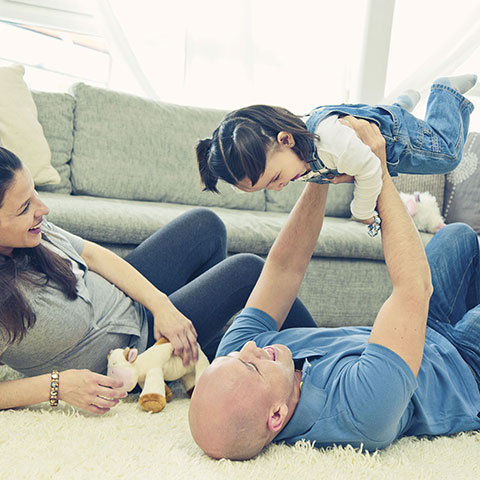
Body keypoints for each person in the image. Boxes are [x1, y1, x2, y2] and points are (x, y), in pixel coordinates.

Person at [189, 117, 480, 460]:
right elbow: (414, 288)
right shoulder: (359, 412)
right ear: (277, 416)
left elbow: (284, 269)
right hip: (465, 368)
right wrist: (378, 168)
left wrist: (318, 168)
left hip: (426, 332)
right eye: (251, 365)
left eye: (238, 356)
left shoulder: (239, 354)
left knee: (457, 237)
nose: (249, 348)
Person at [0, 147, 317, 414]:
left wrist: (161, 305)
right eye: (25, 207)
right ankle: (324, 364)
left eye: (35, 194)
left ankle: (198, 355)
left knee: (205, 226)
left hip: (132, 306)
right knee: (246, 272)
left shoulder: (35, 232)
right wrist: (58, 385)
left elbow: (94, 257)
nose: (43, 208)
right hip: (131, 354)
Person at [197, 74, 476, 234]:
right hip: (373, 128)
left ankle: (444, 93)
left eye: (276, 178)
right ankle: (397, 105)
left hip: (396, 138)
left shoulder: (329, 141)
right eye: (267, 187)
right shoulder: (296, 150)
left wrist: (362, 211)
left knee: (448, 156)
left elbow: (369, 168)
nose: (279, 188)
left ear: (286, 139)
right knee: (380, 119)